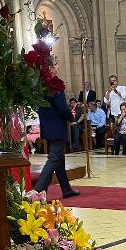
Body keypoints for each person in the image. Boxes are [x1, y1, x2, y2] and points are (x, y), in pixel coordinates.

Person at [33, 60, 79, 199]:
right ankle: (37, 190)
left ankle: (66, 189)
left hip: (47, 126)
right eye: (55, 65)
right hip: (57, 126)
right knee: (54, 158)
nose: (57, 67)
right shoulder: (55, 84)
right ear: (51, 68)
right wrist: (71, 116)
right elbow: (62, 108)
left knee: (59, 158)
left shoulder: (39, 85)